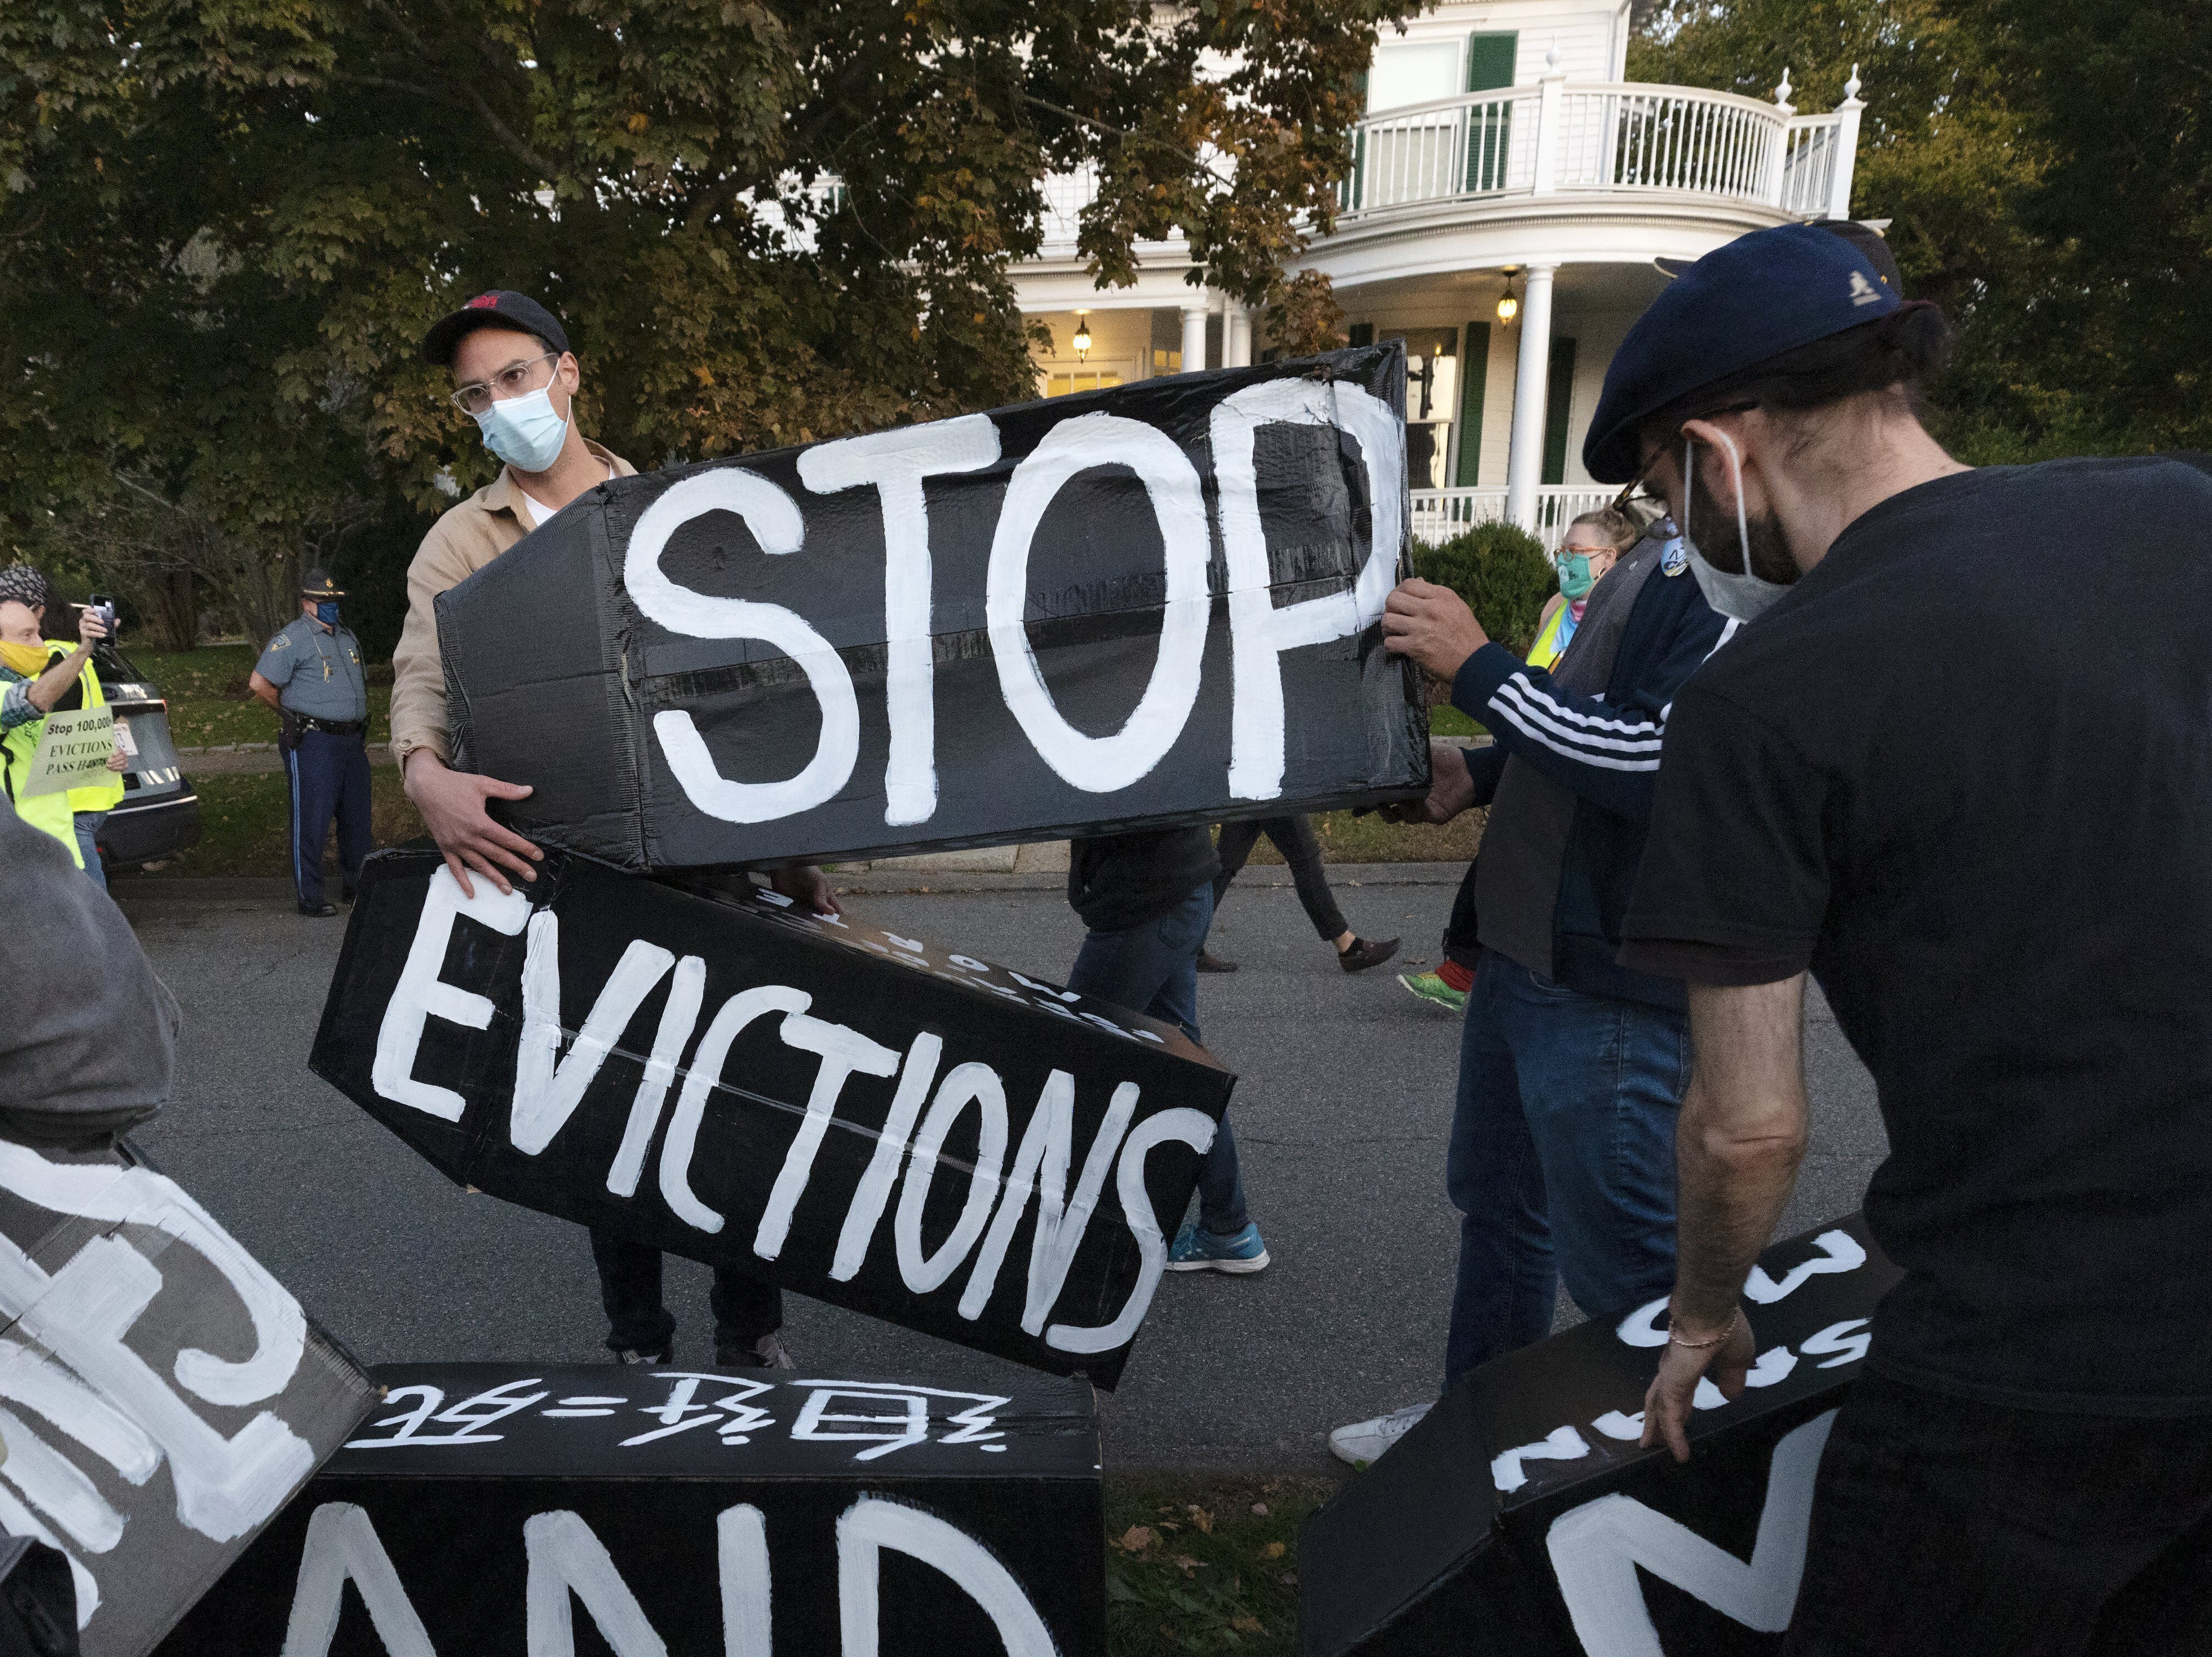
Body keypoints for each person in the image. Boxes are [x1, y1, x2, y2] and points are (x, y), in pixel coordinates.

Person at [1596, 223, 2212, 1653]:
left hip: (2029, 1361)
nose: (1677, 532)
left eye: (1660, 495)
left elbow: (1743, 1127)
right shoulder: (2175, 515)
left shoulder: (1760, 702)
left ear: (1715, 453)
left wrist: (1700, 1314)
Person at [395, 289, 837, 1369]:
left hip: (713, 865)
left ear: (567, 371)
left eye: (513, 377)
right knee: (611, 1115)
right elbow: (422, 675)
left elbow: (754, 692)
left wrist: (795, 855)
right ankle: (637, 1338)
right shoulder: (461, 541)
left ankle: (751, 1333)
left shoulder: (678, 513)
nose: (500, 405)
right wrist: (423, 777)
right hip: (570, 872)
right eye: (474, 395)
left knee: (741, 1103)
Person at [1326, 468, 1727, 1466]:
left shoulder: (1738, 581)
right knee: (1503, 1210)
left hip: (1608, 980)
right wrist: (1482, 767)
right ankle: (1476, 1434)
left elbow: (1663, 763)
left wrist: (1477, 668)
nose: (1643, 462)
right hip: (1523, 949)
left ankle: (1698, 1486)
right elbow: (1590, 703)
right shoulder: (1663, 552)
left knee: (1626, 1259)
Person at [1397, 507, 1647, 1012]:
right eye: (1562, 552)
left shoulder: (1634, 611)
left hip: (1573, 844)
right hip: (1523, 761)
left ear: (1611, 560)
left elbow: (1623, 744)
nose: (1566, 563)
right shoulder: (1555, 607)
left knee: (1489, 875)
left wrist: (1474, 664)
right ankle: (1466, 972)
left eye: (1578, 554)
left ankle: (1460, 972)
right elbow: (1538, 697)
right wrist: (1479, 770)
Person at [1064, 827, 1269, 1274]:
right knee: (1183, 1063)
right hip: (1179, 891)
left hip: (1146, 905)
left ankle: (1037, 1224)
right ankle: (1228, 1229)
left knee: (1072, 1055)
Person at [251, 569, 373, 917]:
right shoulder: (292, 640)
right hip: (314, 740)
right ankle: (311, 896)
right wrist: (292, 716)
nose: (331, 607)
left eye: (335, 601)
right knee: (312, 820)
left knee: (356, 819)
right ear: (307, 605)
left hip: (351, 741)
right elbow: (260, 684)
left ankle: (357, 885)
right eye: (323, 602)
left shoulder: (347, 638)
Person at [0, 564, 127, 885]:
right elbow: (32, 702)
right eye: (27, 635)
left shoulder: (54, 656)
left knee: (90, 922)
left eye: (36, 632)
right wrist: (85, 649)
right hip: (25, 845)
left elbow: (63, 731)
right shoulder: (60, 659)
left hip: (61, 823)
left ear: (40, 611)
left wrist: (107, 753)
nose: (38, 644)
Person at [1199, 815, 1397, 975]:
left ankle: (1184, 943)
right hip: (1269, 778)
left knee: (1225, 864)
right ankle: (1347, 946)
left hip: (1246, 777)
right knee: (1305, 859)